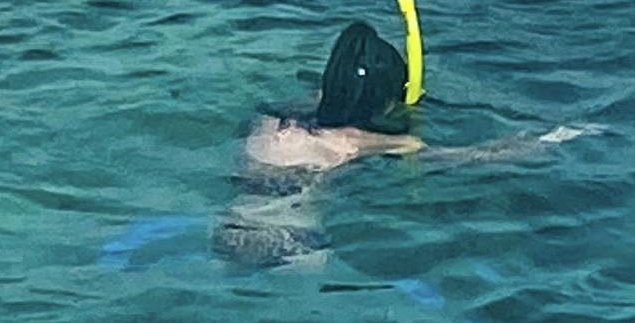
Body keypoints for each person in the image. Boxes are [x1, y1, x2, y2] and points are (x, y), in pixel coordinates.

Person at [218, 15, 587, 268]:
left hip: (226, 232)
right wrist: (552, 139)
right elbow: (470, 158)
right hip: (293, 245)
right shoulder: (353, 144)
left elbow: (321, 103)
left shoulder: (268, 123)